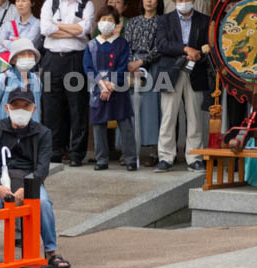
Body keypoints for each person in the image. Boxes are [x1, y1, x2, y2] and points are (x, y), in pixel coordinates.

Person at [0, 89, 69, 268]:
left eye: (25, 106)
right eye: (16, 106)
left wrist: (26, 189)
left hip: (31, 182)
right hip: (3, 181)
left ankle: (51, 251)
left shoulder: (43, 133)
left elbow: (42, 168)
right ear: (7, 108)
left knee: (44, 204)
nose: (20, 110)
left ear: (33, 109)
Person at [154, 0, 208, 172]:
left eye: (187, 0)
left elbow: (209, 48)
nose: (183, 3)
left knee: (194, 116)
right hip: (169, 70)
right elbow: (161, 45)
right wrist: (186, 49)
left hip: (195, 71)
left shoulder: (204, 20)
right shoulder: (164, 20)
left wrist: (199, 55)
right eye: (180, 0)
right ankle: (165, 157)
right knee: (168, 115)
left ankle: (194, 157)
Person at [40, 0, 94, 166]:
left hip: (75, 58)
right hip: (52, 58)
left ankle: (76, 153)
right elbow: (45, 29)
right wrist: (74, 30)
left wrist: (58, 26)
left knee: (77, 106)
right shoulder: (50, 3)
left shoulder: (87, 4)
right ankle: (54, 151)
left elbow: (84, 30)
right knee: (50, 107)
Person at [84, 5, 137, 171]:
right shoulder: (91, 45)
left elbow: (123, 67)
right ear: (98, 22)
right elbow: (88, 68)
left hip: (118, 89)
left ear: (116, 24)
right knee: (99, 125)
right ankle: (102, 160)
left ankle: (130, 159)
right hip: (98, 89)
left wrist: (112, 86)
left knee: (125, 123)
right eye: (103, 19)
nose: (106, 23)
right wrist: (102, 85)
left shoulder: (122, 43)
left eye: (110, 20)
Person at [125, 0, 164, 164]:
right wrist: (130, 64)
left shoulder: (163, 22)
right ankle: (128, 150)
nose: (149, 1)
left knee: (152, 109)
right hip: (131, 68)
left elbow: (161, 47)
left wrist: (141, 62)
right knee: (130, 108)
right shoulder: (132, 22)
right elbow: (125, 45)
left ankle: (154, 151)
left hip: (154, 67)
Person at [0, 38, 42, 124]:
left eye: (30, 54)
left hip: (31, 132)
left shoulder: (36, 79)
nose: (27, 57)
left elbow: (37, 108)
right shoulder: (2, 79)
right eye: (22, 54)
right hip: (6, 131)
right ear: (13, 60)